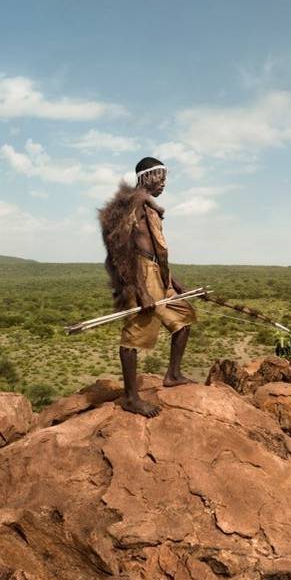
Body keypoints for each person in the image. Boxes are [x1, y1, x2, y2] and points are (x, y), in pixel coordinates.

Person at [98, 156, 197, 417]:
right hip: (140, 273)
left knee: (183, 316)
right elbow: (123, 248)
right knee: (137, 330)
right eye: (160, 177)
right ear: (146, 177)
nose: (164, 183)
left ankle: (173, 374)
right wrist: (140, 289)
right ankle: (131, 397)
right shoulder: (133, 204)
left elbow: (155, 247)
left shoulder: (149, 207)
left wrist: (173, 281)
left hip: (158, 273)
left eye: (165, 177)